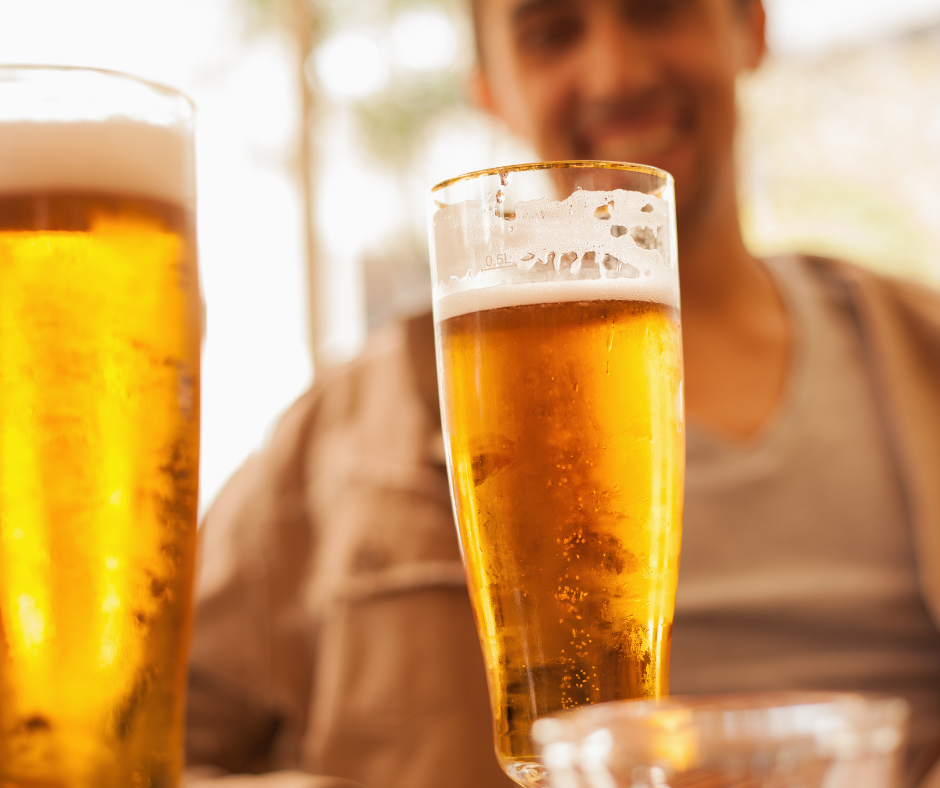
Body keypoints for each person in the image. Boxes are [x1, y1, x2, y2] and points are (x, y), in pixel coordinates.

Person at [184, 1, 940, 787]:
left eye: (656, 11)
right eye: (550, 33)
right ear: (492, 91)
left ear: (749, 26)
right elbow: (144, 745)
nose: (617, 73)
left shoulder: (922, 344)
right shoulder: (342, 430)